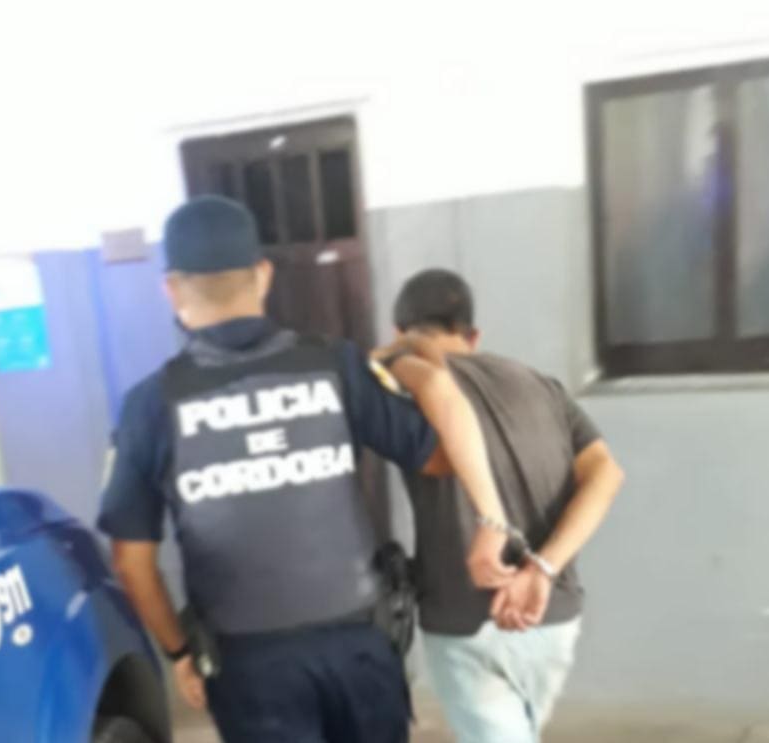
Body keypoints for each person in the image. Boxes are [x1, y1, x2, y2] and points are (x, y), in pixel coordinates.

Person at [97, 197, 515, 743]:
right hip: (359, 649)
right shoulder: (336, 364)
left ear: (171, 289)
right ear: (263, 275)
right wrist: (415, 366)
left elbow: (131, 563)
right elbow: (437, 458)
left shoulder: (150, 406)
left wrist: (179, 652)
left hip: (248, 668)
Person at [383, 268, 625, 743]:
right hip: (550, 612)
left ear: (400, 332)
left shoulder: (404, 382)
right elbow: (607, 474)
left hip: (463, 618)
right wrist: (542, 568)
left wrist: (393, 355)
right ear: (472, 335)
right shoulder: (542, 386)